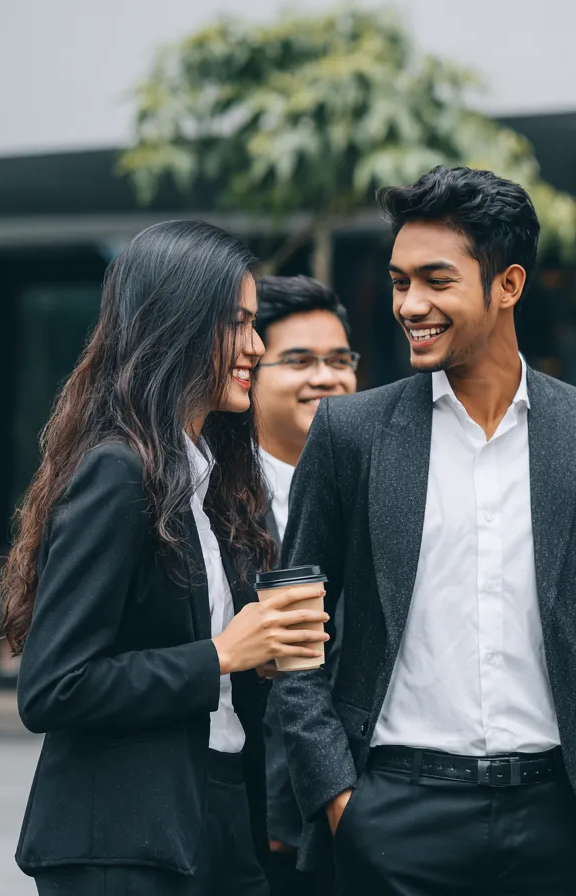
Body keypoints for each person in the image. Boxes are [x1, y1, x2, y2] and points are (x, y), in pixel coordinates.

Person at [273, 166, 576, 895]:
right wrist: (340, 800)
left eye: (435, 280)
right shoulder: (351, 432)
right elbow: (295, 639)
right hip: (393, 814)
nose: (410, 304)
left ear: (507, 285)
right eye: (399, 282)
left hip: (562, 818)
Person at [0, 221, 330, 896]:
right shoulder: (118, 473)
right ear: (177, 324)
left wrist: (257, 657)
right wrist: (221, 655)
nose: (257, 346)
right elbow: (53, 687)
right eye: (238, 324)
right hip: (124, 840)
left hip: (219, 811)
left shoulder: (207, 481)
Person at [251, 274, 357, 895]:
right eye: (299, 361)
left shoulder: (376, 493)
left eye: (340, 361)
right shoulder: (208, 501)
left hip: (360, 812)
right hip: (248, 822)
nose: (326, 378)